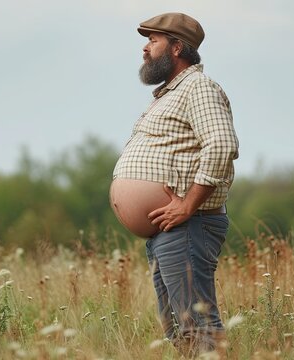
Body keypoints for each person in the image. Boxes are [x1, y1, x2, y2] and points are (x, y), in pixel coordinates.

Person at [109, 12, 239, 358]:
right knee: (179, 329)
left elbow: (222, 144)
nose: (145, 49)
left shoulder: (198, 88)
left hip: (188, 225)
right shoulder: (168, 94)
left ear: (177, 47)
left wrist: (188, 204)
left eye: (153, 41)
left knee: (197, 324)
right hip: (168, 230)